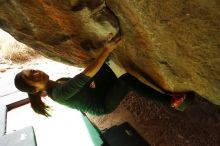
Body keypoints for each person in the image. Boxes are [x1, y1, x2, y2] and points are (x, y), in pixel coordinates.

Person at [14, 38, 193, 117]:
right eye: (33, 76)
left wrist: (99, 66)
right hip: (102, 104)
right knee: (124, 81)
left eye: (34, 70)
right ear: (35, 89)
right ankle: (170, 102)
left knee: (107, 65)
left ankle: (124, 74)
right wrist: (106, 48)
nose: (37, 72)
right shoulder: (58, 93)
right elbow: (85, 75)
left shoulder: (57, 81)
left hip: (97, 90)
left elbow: (85, 79)